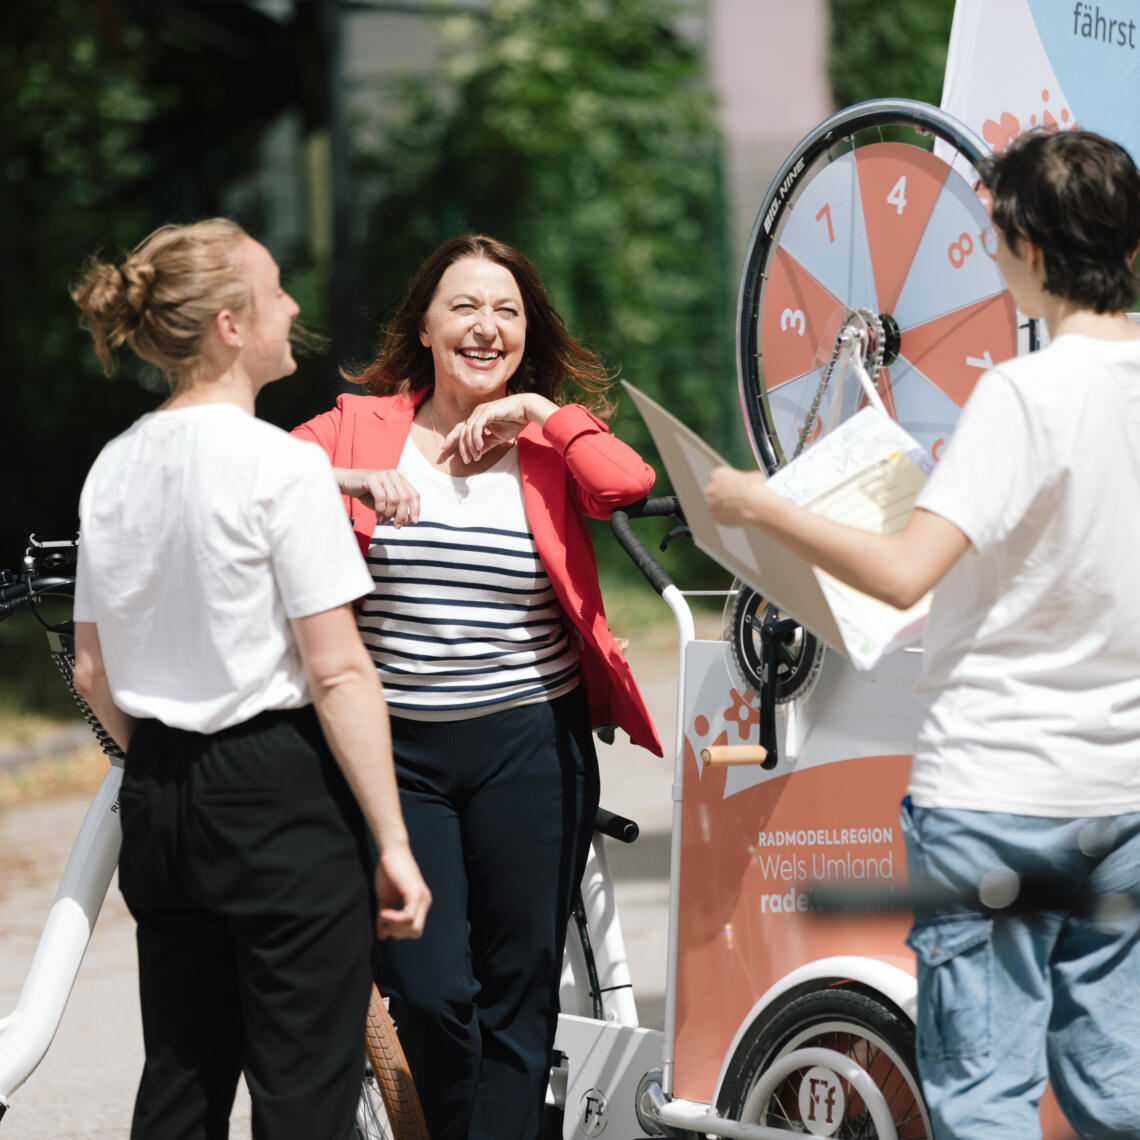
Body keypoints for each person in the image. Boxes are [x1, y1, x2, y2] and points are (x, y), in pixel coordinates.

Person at [705, 128, 1140, 1140]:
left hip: (998, 791)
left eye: (994, 229)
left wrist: (761, 505)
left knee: (981, 1100)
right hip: (1126, 792)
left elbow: (905, 569)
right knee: (1118, 1093)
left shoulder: (1026, 394)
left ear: (1031, 244)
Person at [292, 232, 662, 1139]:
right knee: (430, 989)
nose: (486, 326)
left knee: (519, 987)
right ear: (424, 325)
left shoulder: (546, 439)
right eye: (463, 306)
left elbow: (629, 484)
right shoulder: (357, 427)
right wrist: (351, 479)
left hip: (531, 745)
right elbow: (247, 479)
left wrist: (540, 411)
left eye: (507, 310)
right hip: (398, 753)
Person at [69, 218, 431, 1140]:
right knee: (303, 1097)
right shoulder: (282, 464)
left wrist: (162, 763)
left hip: (158, 795)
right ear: (231, 325)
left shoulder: (111, 466)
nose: (294, 306)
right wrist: (392, 840)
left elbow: (91, 668)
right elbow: (339, 668)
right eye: (275, 290)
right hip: (275, 796)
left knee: (180, 1088)